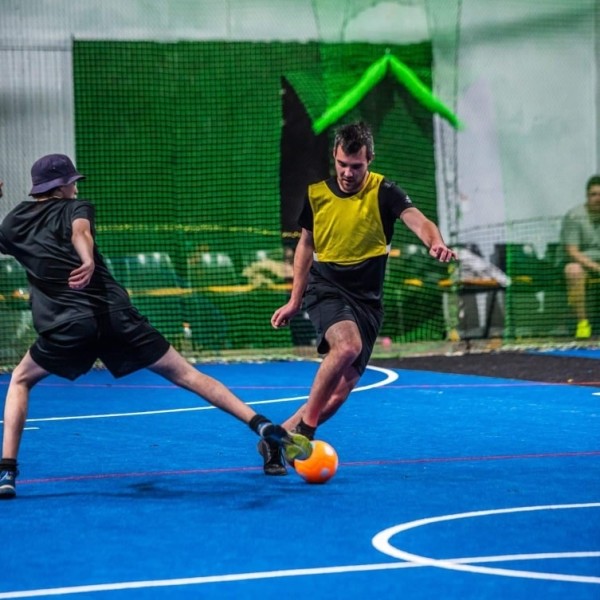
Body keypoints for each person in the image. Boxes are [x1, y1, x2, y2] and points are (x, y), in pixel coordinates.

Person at [0, 154, 310, 498]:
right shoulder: (76, 207)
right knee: (189, 375)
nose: (76, 187)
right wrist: (87, 259)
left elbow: (72, 234)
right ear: (60, 187)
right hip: (116, 316)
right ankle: (262, 424)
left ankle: (7, 473)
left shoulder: (14, 222)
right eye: (73, 182)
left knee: (21, 379)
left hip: (65, 327)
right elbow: (81, 231)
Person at [257, 121, 457, 475]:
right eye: (342, 164)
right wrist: (294, 300)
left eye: (357, 166)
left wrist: (435, 242)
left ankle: (276, 438)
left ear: (370, 161)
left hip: (367, 302)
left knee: (338, 393)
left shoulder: (386, 192)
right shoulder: (317, 195)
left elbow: (419, 221)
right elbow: (306, 246)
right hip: (326, 288)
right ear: (334, 158)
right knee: (346, 346)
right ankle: (305, 432)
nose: (348, 173)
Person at [560, 175, 600, 339]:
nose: (598, 199)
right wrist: (596, 267)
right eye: (594, 194)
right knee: (574, 270)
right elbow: (572, 251)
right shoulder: (575, 216)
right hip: (580, 262)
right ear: (587, 196)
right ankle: (582, 323)